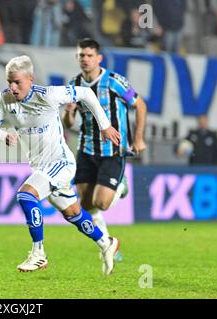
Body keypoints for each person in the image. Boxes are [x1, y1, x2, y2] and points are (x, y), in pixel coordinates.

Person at [0, 55, 121, 275]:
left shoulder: (48, 95)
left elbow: (85, 93)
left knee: (26, 195)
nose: (12, 87)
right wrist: (2, 136)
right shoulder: (4, 99)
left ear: (31, 79)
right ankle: (107, 242)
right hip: (41, 168)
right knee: (74, 214)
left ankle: (38, 253)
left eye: (17, 82)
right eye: (9, 81)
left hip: (61, 163)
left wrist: (104, 125)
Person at [62, 38, 147, 261]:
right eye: (82, 55)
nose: (85, 59)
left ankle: (122, 186)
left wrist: (138, 139)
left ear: (99, 58)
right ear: (77, 58)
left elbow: (140, 105)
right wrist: (69, 112)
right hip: (86, 150)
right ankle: (108, 243)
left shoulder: (114, 82)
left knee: (102, 203)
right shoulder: (73, 85)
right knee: (87, 204)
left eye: (90, 55)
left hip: (113, 151)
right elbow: (69, 124)